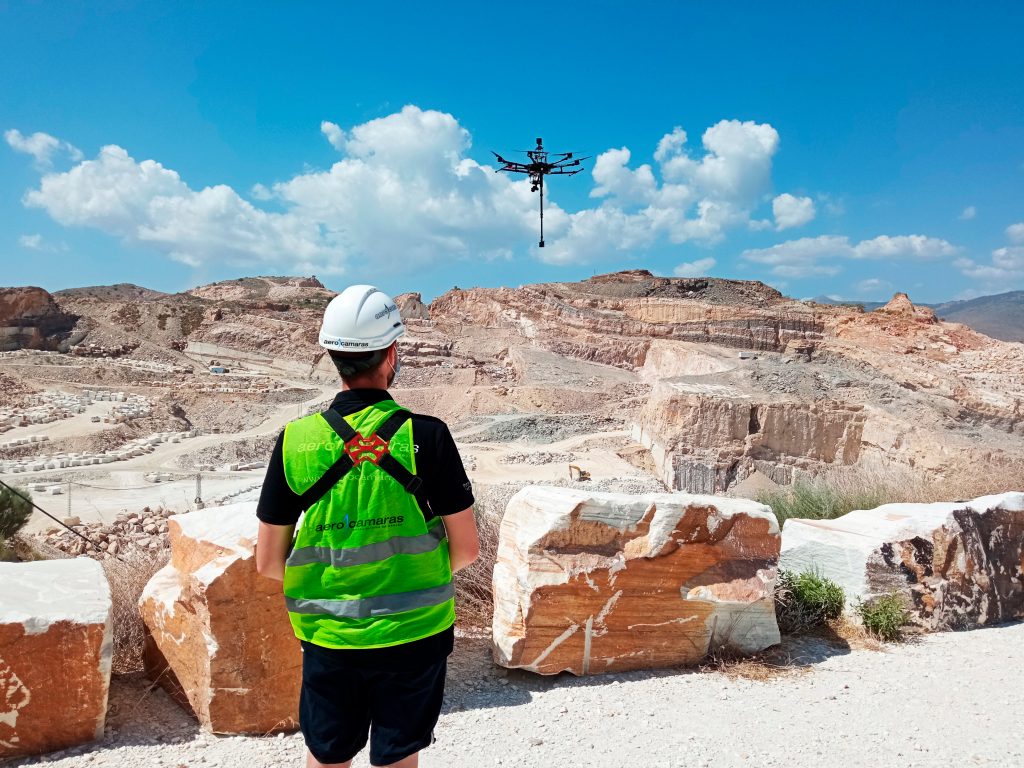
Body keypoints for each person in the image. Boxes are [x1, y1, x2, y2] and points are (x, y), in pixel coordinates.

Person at [255, 284, 479, 768]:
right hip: (415, 634)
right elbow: (467, 550)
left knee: (328, 754)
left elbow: (269, 563)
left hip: (329, 637)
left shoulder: (294, 442)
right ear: (392, 353)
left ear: (331, 355)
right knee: (399, 756)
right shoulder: (429, 437)